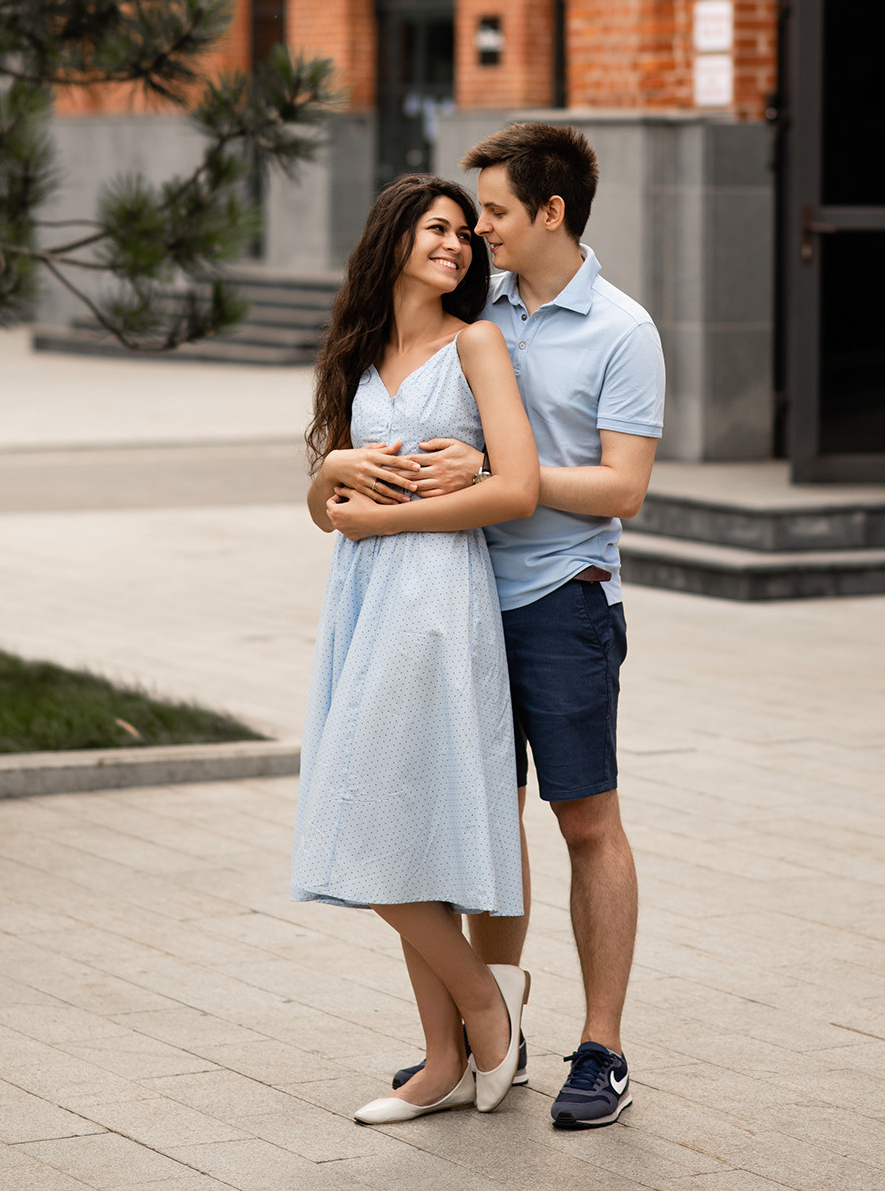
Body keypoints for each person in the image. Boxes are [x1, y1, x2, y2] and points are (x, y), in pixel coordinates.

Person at [389, 124, 665, 1129]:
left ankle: (603, 1048)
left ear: (552, 212)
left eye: (496, 211)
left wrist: (506, 476)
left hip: (562, 595)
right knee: (480, 816)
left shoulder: (623, 330)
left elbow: (623, 488)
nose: (479, 229)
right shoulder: (479, 307)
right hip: (457, 592)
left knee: (585, 821)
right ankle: (489, 1039)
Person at [292, 174, 540, 1124]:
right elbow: (329, 511)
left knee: (367, 813)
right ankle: (441, 1061)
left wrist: (386, 519)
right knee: (399, 822)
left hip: (436, 596)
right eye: (438, 229)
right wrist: (330, 471)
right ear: (393, 238)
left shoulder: (474, 343)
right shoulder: (358, 353)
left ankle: (485, 1008)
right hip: (363, 601)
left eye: (465, 235)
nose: (457, 245)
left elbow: (514, 490)